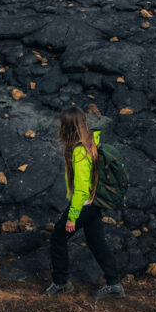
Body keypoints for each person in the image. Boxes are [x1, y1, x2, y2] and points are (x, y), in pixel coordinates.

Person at [44, 107, 124, 299]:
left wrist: (72, 217)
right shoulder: (92, 140)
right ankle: (115, 285)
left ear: (68, 128)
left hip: (85, 204)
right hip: (94, 201)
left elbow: (81, 190)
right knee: (97, 242)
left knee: (58, 237)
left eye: (62, 124)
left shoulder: (80, 152)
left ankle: (61, 283)